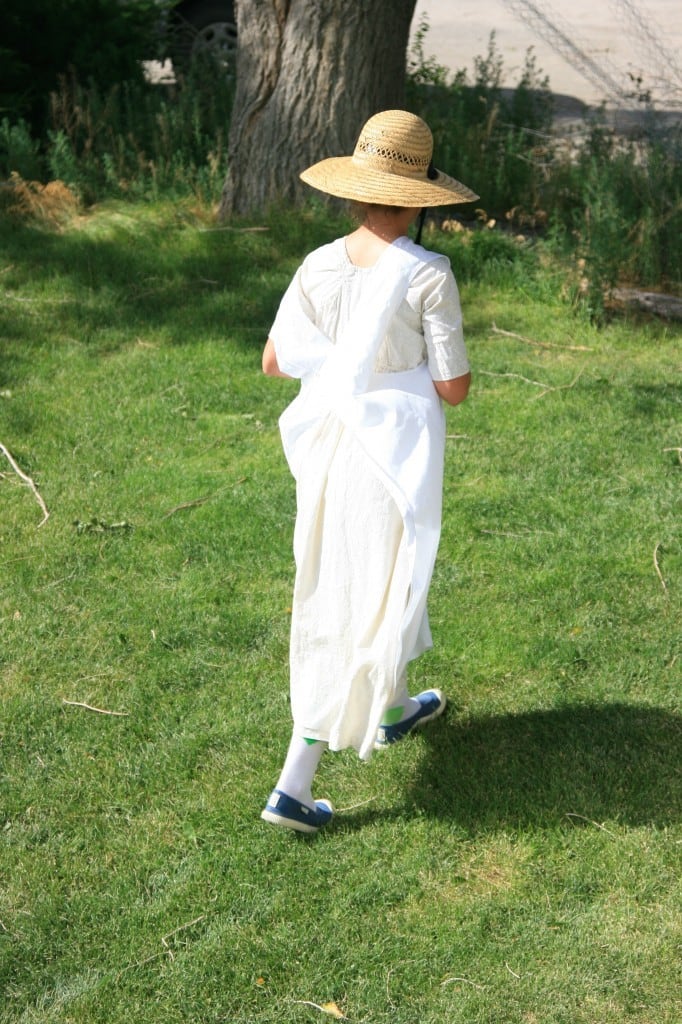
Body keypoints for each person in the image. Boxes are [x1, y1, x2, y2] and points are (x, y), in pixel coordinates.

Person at [260, 110, 478, 834]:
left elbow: (274, 359)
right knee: (356, 598)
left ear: (355, 192)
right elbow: (453, 387)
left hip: (332, 452)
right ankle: (294, 785)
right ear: (417, 200)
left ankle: (392, 707)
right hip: (394, 458)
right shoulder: (429, 274)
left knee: (364, 579)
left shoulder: (318, 264)